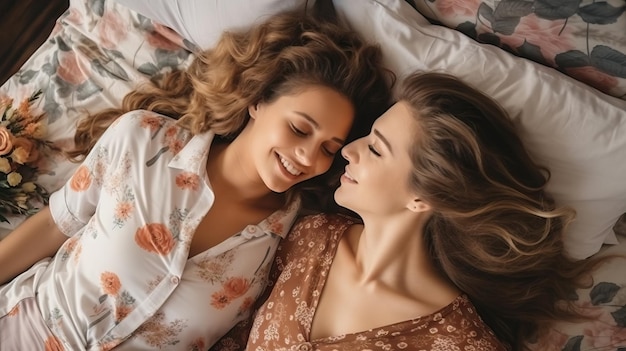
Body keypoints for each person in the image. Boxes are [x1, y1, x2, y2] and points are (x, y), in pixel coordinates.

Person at [0, 1, 393, 349]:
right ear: (257, 101)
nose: (309, 157)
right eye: (299, 129)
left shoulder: (293, 240)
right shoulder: (144, 140)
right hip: (26, 330)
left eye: (328, 148)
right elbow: (57, 224)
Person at [211, 71, 607, 351]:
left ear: (424, 196)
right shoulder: (311, 236)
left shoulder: (459, 342)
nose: (348, 151)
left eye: (376, 148)